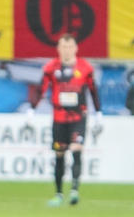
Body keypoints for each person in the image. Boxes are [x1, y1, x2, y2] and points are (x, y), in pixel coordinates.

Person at [26, 34, 102, 207]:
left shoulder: (85, 68)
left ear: (75, 49)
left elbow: (93, 90)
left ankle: (74, 191)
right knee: (59, 154)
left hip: (78, 118)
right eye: (63, 47)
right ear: (58, 49)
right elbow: (41, 89)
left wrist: (99, 113)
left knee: (76, 149)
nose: (67, 50)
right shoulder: (50, 68)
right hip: (59, 119)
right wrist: (31, 110)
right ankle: (58, 194)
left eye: (70, 47)